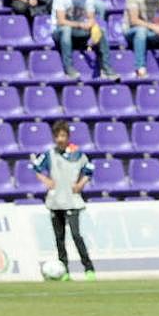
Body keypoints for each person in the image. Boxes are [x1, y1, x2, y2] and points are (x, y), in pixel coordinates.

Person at [32, 119, 96, 280]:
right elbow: (36, 167)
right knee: (59, 238)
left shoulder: (77, 154)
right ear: (54, 137)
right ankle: (64, 270)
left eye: (63, 135)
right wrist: (46, 181)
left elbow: (89, 169)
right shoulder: (50, 154)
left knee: (76, 235)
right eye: (58, 136)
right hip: (55, 201)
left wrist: (81, 184)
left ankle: (89, 268)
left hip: (72, 200)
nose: (60, 139)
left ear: (67, 136)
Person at [51, 0, 117, 79]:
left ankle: (107, 68)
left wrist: (91, 25)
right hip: (60, 31)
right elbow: (61, 21)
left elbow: (91, 18)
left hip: (78, 32)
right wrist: (81, 25)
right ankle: (69, 68)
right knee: (66, 30)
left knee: (100, 31)